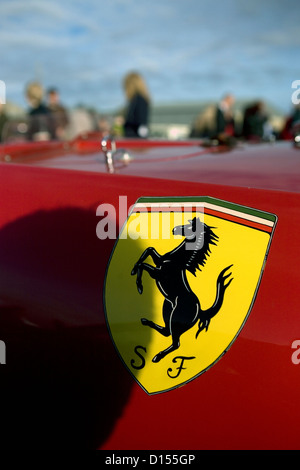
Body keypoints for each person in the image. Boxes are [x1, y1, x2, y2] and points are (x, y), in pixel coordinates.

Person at [122, 72, 151, 138]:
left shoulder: (138, 99)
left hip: (135, 140)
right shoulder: (140, 99)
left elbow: (140, 122)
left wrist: (124, 123)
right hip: (137, 139)